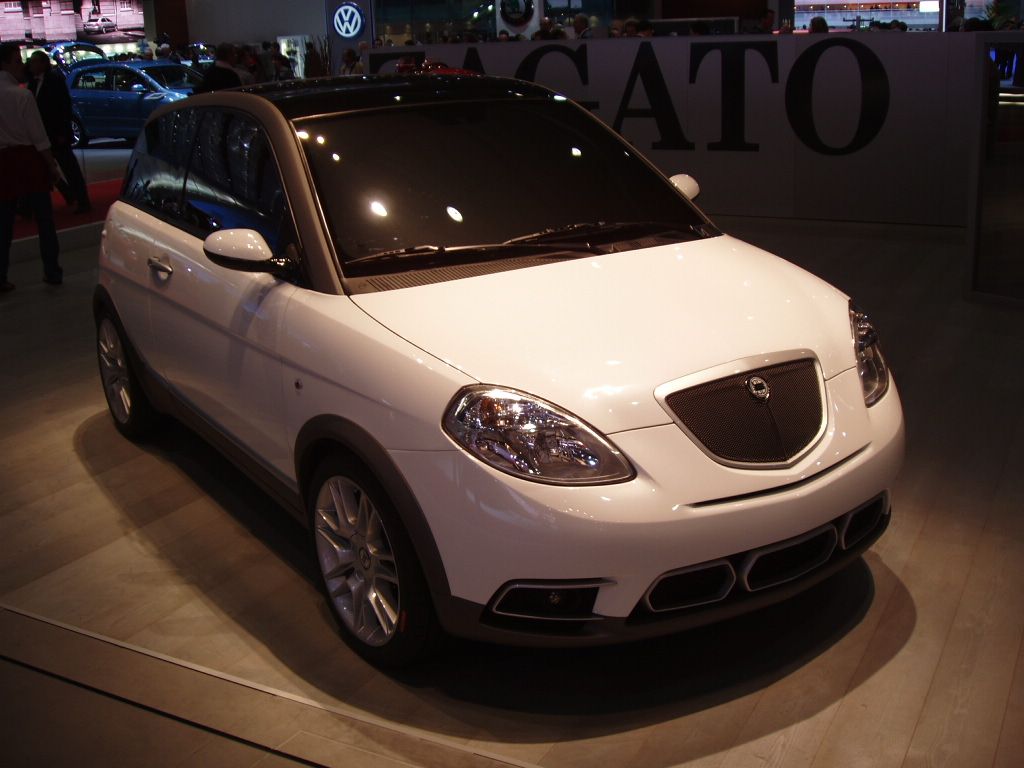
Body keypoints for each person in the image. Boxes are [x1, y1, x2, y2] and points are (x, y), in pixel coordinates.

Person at [0, 42, 62, 292]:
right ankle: (52, 271)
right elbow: (38, 137)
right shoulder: (22, 95)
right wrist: (52, 165)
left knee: (3, 223)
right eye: (17, 61)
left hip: (3, 163)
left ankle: (1, 275)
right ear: (5, 64)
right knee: (45, 220)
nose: (22, 66)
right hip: (27, 159)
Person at [27, 50, 91, 214]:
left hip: (57, 133)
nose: (31, 65)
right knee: (48, 168)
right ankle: (69, 194)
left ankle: (82, 200)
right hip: (43, 133)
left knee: (69, 169)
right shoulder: (33, 83)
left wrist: (63, 131)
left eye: (34, 62)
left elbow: (63, 107)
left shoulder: (54, 80)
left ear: (43, 63)